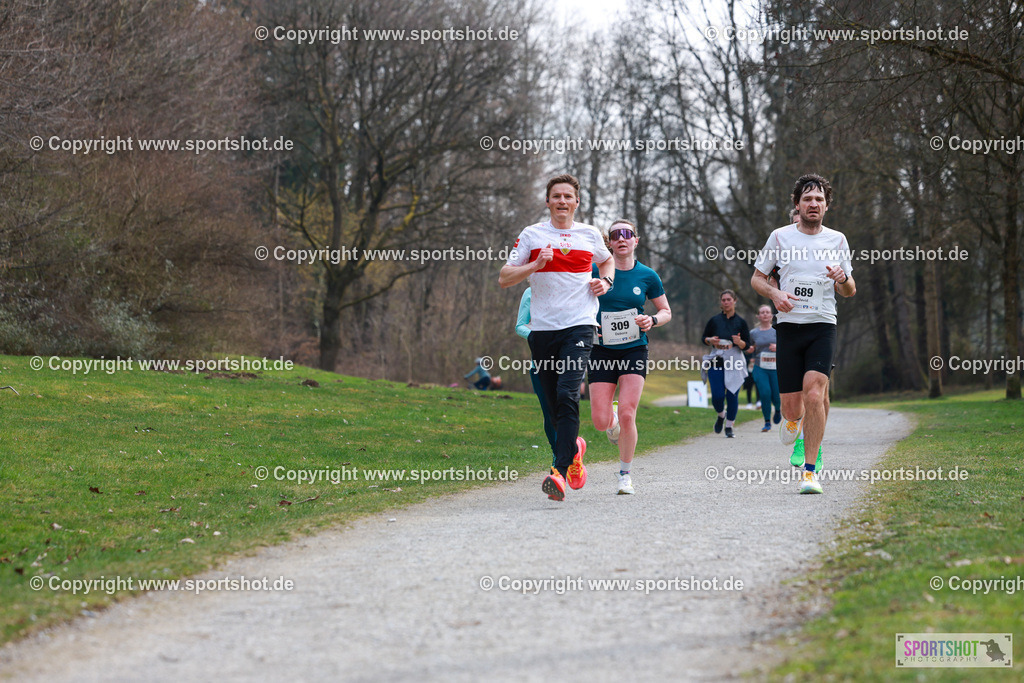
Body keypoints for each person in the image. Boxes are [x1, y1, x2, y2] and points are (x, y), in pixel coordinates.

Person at [499, 174, 613, 501]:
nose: (562, 201)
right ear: (547, 201)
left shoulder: (589, 234)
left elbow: (606, 262)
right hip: (543, 330)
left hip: (579, 326)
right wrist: (536, 264)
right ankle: (574, 448)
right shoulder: (532, 235)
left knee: (567, 394)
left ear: (577, 202)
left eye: (568, 196)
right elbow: (505, 278)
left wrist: (605, 283)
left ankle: (559, 472)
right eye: (556, 196)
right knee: (551, 408)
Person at [751, 174, 856, 494]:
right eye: (808, 199)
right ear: (797, 204)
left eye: (819, 200)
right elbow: (757, 278)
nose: (814, 204)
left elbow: (850, 290)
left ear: (827, 206)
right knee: (791, 409)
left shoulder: (838, 240)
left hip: (823, 325)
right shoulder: (780, 237)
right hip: (790, 327)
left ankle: (810, 473)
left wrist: (842, 279)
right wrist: (774, 294)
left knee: (815, 395)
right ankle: (794, 423)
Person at [587, 219, 671, 495]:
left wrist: (652, 320)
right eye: (615, 235)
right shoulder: (594, 271)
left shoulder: (648, 275)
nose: (621, 239)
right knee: (600, 421)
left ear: (636, 240)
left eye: (627, 234)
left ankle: (625, 474)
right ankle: (610, 420)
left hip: (634, 348)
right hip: (600, 349)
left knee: (627, 412)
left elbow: (665, 311)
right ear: (608, 242)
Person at [516, 287, 557, 465]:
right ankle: (558, 455)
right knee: (549, 412)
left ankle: (569, 451)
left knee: (567, 408)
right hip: (540, 363)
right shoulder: (531, 292)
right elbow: (520, 326)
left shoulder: (571, 286)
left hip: (569, 361)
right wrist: (537, 336)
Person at [701, 290, 750, 438]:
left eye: (729, 299)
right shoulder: (714, 320)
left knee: (732, 395)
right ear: (720, 302)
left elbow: (747, 346)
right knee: (716, 396)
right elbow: (704, 338)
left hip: (734, 360)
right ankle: (721, 415)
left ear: (735, 301)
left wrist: (740, 342)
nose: (726, 302)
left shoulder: (741, 322)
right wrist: (710, 340)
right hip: (717, 359)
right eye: (723, 300)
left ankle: (729, 426)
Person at [749, 304, 781, 431]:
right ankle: (767, 421)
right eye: (762, 312)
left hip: (776, 367)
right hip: (760, 367)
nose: (765, 314)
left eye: (767, 312)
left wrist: (778, 348)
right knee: (765, 393)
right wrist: (751, 352)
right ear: (758, 316)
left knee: (776, 395)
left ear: (772, 315)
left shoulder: (778, 331)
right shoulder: (753, 333)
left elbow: (788, 347)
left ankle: (778, 409)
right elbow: (749, 348)